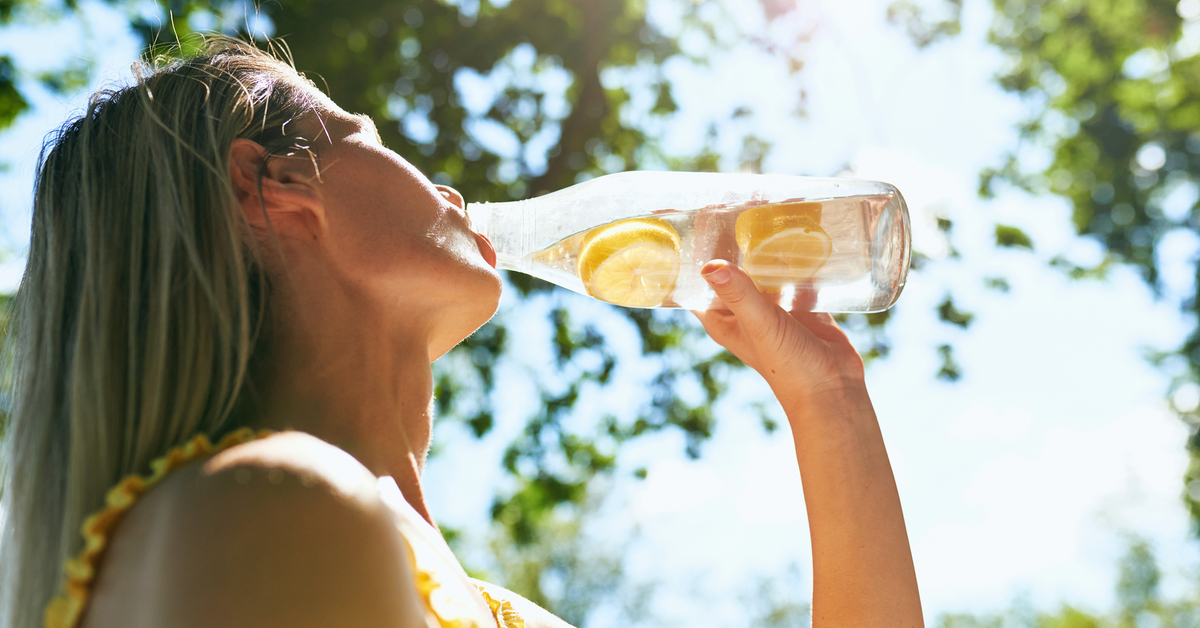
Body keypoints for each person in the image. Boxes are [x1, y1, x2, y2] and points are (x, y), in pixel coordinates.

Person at [0, 37, 923, 628]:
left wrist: (828, 400)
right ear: (269, 187)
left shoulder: (478, 602)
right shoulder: (267, 510)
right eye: (360, 133)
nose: (440, 186)